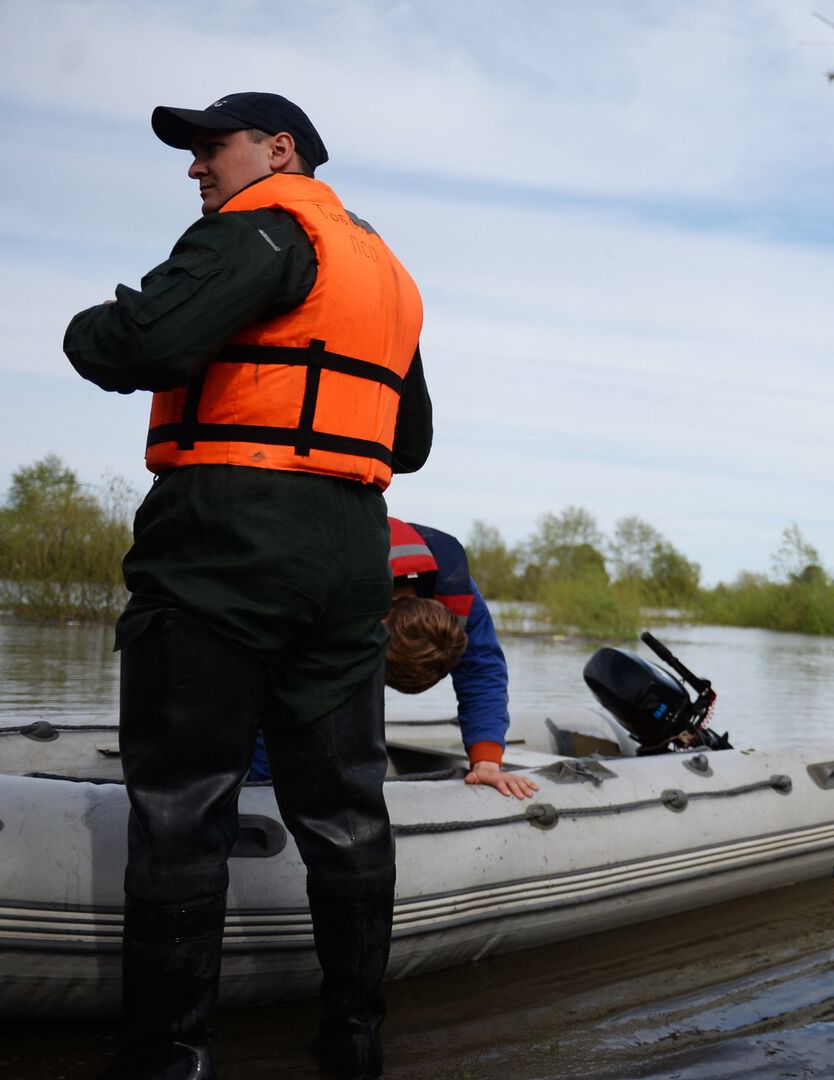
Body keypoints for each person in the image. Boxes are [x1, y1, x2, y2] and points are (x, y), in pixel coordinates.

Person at [63, 92, 427, 1080]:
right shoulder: (383, 269)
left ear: (279, 150)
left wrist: (91, 325)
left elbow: (137, 345)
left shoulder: (257, 232)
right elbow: (413, 439)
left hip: (228, 535)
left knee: (183, 806)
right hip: (350, 548)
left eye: (207, 147)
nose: (194, 168)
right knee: (346, 807)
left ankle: (168, 1064)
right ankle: (353, 1045)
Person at [249, 517, 539, 800]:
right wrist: (262, 789)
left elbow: (483, 672)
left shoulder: (454, 591)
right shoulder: (328, 591)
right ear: (378, 628)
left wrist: (486, 761)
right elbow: (275, 691)